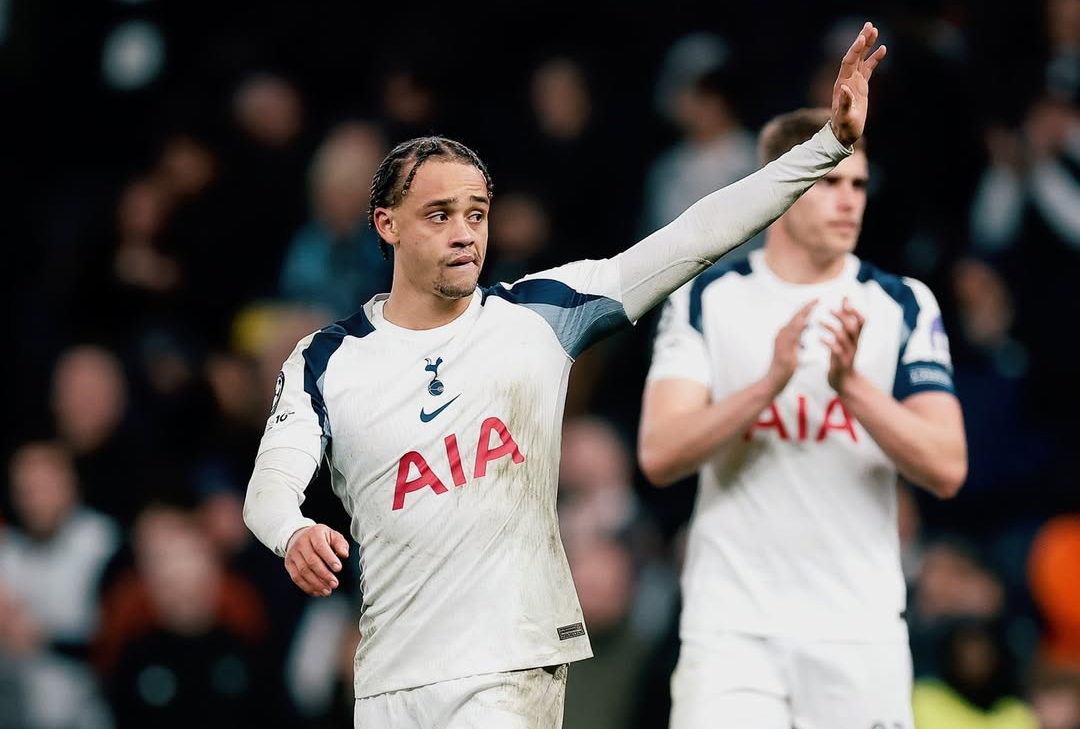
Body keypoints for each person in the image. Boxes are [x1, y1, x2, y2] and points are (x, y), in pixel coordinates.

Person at [242, 22, 886, 729]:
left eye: (478, 213)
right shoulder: (326, 360)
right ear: (386, 224)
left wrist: (827, 145)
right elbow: (271, 484)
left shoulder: (539, 315)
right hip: (392, 680)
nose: (465, 233)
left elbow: (693, 236)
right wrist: (293, 531)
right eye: (440, 214)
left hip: (507, 666)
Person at [636, 104, 967, 729]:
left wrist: (853, 389)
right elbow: (659, 454)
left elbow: (947, 467)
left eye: (859, 184)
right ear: (783, 185)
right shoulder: (706, 294)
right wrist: (768, 385)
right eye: (830, 181)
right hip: (732, 628)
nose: (849, 201)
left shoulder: (902, 302)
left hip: (858, 628)